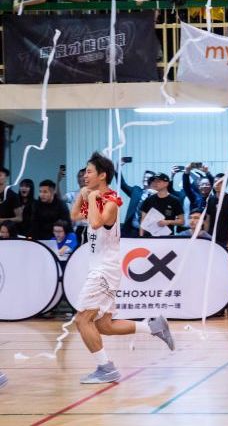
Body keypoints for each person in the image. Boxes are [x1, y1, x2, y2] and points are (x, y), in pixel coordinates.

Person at [70, 152, 174, 384]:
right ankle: (153, 327)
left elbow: (96, 222)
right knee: (103, 325)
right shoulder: (95, 198)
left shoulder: (110, 201)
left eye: (88, 172)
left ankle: (106, 368)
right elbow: (75, 215)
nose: (84, 175)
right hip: (103, 269)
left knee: (81, 320)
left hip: (104, 271)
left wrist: (94, 196)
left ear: (102, 175)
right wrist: (82, 195)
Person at [205, 173, 228, 252]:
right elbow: (207, 220)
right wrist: (205, 236)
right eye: (216, 182)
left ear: (225, 184)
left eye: (220, 182)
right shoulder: (210, 200)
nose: (217, 184)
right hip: (211, 238)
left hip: (225, 238)